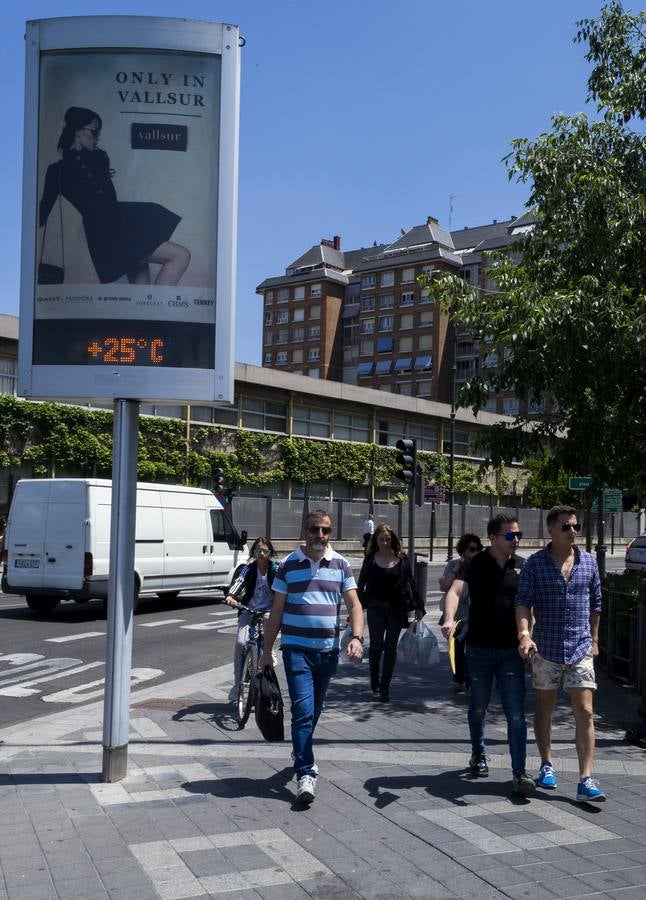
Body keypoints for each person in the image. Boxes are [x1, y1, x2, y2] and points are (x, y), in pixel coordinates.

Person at [259, 509, 364, 804]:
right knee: (303, 711)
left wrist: (356, 637)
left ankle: (300, 746)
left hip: (327, 651)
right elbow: (276, 611)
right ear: (304, 531)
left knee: (315, 708)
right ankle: (306, 772)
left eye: (326, 530)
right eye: (315, 529)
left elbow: (355, 605)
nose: (320, 535)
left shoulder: (341, 564)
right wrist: (266, 652)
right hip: (296, 650)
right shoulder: (288, 566)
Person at [39, 106, 190, 285]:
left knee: (141, 293)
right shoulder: (57, 171)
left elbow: (105, 199)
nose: (97, 137)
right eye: (94, 131)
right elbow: (42, 213)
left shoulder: (100, 158)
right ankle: (161, 311)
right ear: (77, 131)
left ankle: (150, 311)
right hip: (105, 233)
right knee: (180, 255)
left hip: (122, 224)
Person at [516, 505, 605, 802]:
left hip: (580, 648)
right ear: (551, 530)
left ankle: (586, 779)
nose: (573, 531)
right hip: (547, 648)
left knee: (585, 711)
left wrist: (594, 639)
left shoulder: (589, 562)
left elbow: (596, 603)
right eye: (566, 527)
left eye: (575, 526)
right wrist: (525, 635)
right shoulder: (535, 564)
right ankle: (546, 764)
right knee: (545, 707)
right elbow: (523, 603)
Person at [442, 513, 535, 796]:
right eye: (510, 535)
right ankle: (478, 753)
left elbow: (530, 603)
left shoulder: (522, 567)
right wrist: (448, 618)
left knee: (516, 714)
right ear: (493, 538)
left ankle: (519, 772)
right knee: (478, 707)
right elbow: (455, 591)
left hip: (511, 651)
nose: (516, 540)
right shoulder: (475, 563)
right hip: (479, 649)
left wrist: (529, 635)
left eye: (518, 535)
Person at [357, 523, 425, 702]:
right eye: (381, 539)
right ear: (376, 540)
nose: (385, 542)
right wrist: (355, 608)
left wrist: (419, 606)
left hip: (396, 608)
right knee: (376, 646)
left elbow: (411, 583)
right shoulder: (370, 559)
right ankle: (374, 678)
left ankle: (385, 687)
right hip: (375, 607)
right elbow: (361, 583)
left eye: (388, 539)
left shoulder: (401, 559)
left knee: (390, 648)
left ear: (392, 540)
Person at [224, 537, 279, 703]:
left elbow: (284, 589)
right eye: (257, 551)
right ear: (253, 553)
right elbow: (237, 583)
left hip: (269, 611)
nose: (261, 554)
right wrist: (231, 596)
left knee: (270, 619)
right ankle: (237, 686)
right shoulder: (248, 569)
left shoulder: (276, 570)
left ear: (270, 552)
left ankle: (269, 649)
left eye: (265, 551)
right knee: (241, 644)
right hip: (248, 610)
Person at [439, 533, 483, 692]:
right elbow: (444, 586)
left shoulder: (480, 565)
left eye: (478, 549)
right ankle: (459, 678)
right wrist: (457, 568)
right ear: (463, 550)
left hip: (473, 614)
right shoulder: (453, 565)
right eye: (472, 549)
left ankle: (470, 679)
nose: (475, 552)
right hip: (457, 613)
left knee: (471, 647)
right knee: (457, 645)